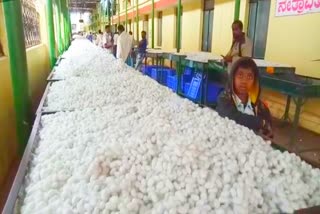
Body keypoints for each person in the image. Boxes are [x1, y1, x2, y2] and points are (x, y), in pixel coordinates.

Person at [216, 57, 273, 140]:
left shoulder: (260, 107)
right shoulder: (224, 99)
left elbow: (269, 129)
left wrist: (266, 130)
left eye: (249, 77)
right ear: (233, 78)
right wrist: (260, 122)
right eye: (240, 75)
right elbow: (232, 117)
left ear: (254, 81)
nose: (244, 81)